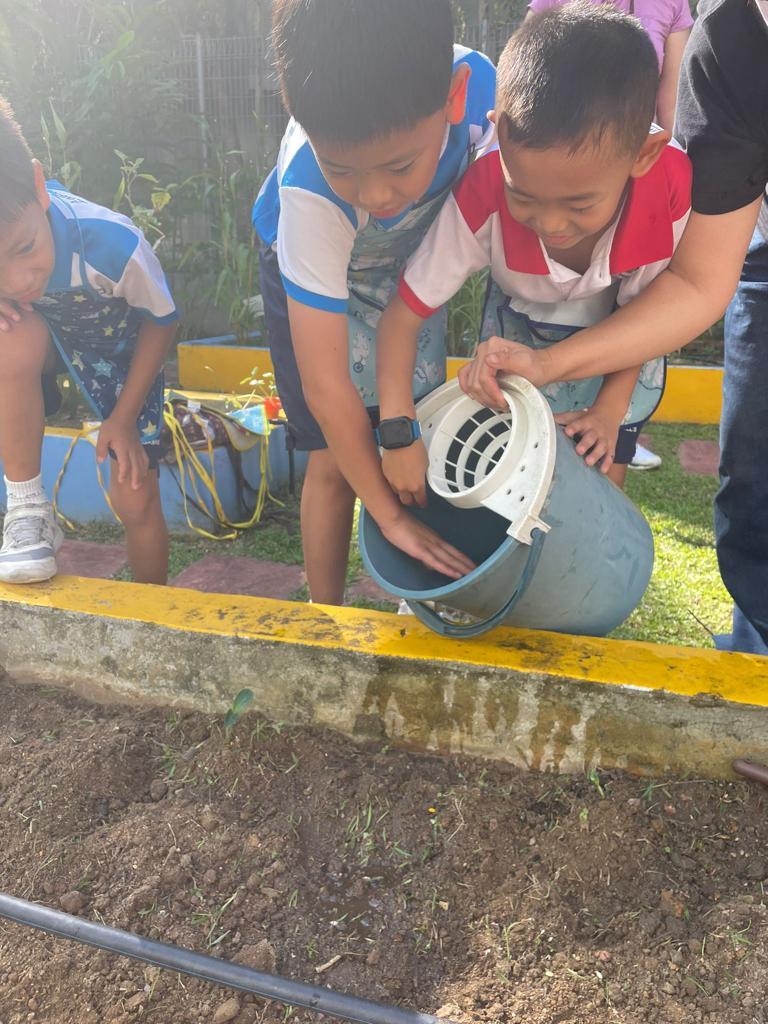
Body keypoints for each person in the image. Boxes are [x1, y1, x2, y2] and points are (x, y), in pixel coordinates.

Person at [462, 0, 768, 653]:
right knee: (756, 494)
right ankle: (756, 666)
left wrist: (608, 400)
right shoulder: (732, 39)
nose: (550, 225)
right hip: (760, 269)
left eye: (577, 204)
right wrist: (544, 366)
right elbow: (692, 283)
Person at [377, 2, 691, 501]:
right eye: (523, 195)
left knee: (598, 482)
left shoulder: (667, 189)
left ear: (642, 156)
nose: (550, 224)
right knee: (510, 479)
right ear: (499, 131)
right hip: (518, 320)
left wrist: (609, 410)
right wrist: (398, 430)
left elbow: (650, 316)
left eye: (579, 203)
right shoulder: (483, 190)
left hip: (622, 338)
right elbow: (403, 314)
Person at [252, 0, 496, 604]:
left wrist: (397, 427)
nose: (376, 194)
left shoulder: (487, 98)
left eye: (399, 165)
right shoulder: (308, 194)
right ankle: (324, 622)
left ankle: (424, 597)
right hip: (315, 280)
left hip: (405, 274)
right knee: (334, 459)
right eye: (345, 170)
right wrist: (386, 516)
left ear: (454, 97)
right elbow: (326, 387)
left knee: (419, 432)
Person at [0, 96, 178, 586]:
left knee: (133, 492)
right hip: (51, 342)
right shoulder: (15, 276)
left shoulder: (113, 245)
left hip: (122, 358)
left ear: (39, 187)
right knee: (8, 338)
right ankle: (27, 509)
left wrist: (121, 418)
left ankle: (150, 612)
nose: (16, 280)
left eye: (24, 249)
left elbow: (161, 321)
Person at [528, 0, 693, 471]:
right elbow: (523, 77)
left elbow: (672, 108)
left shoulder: (672, 4)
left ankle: (618, 429)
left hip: (632, 185)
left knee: (607, 452)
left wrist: (662, 184)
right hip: (563, 183)